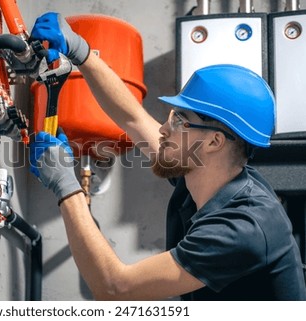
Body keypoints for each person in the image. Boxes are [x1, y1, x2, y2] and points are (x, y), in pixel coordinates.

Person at [29, 12, 306, 300]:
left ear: (214, 142)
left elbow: (115, 289)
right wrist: (81, 51)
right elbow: (132, 117)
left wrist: (66, 185)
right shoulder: (202, 172)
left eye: (179, 120)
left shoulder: (244, 226)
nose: (163, 128)